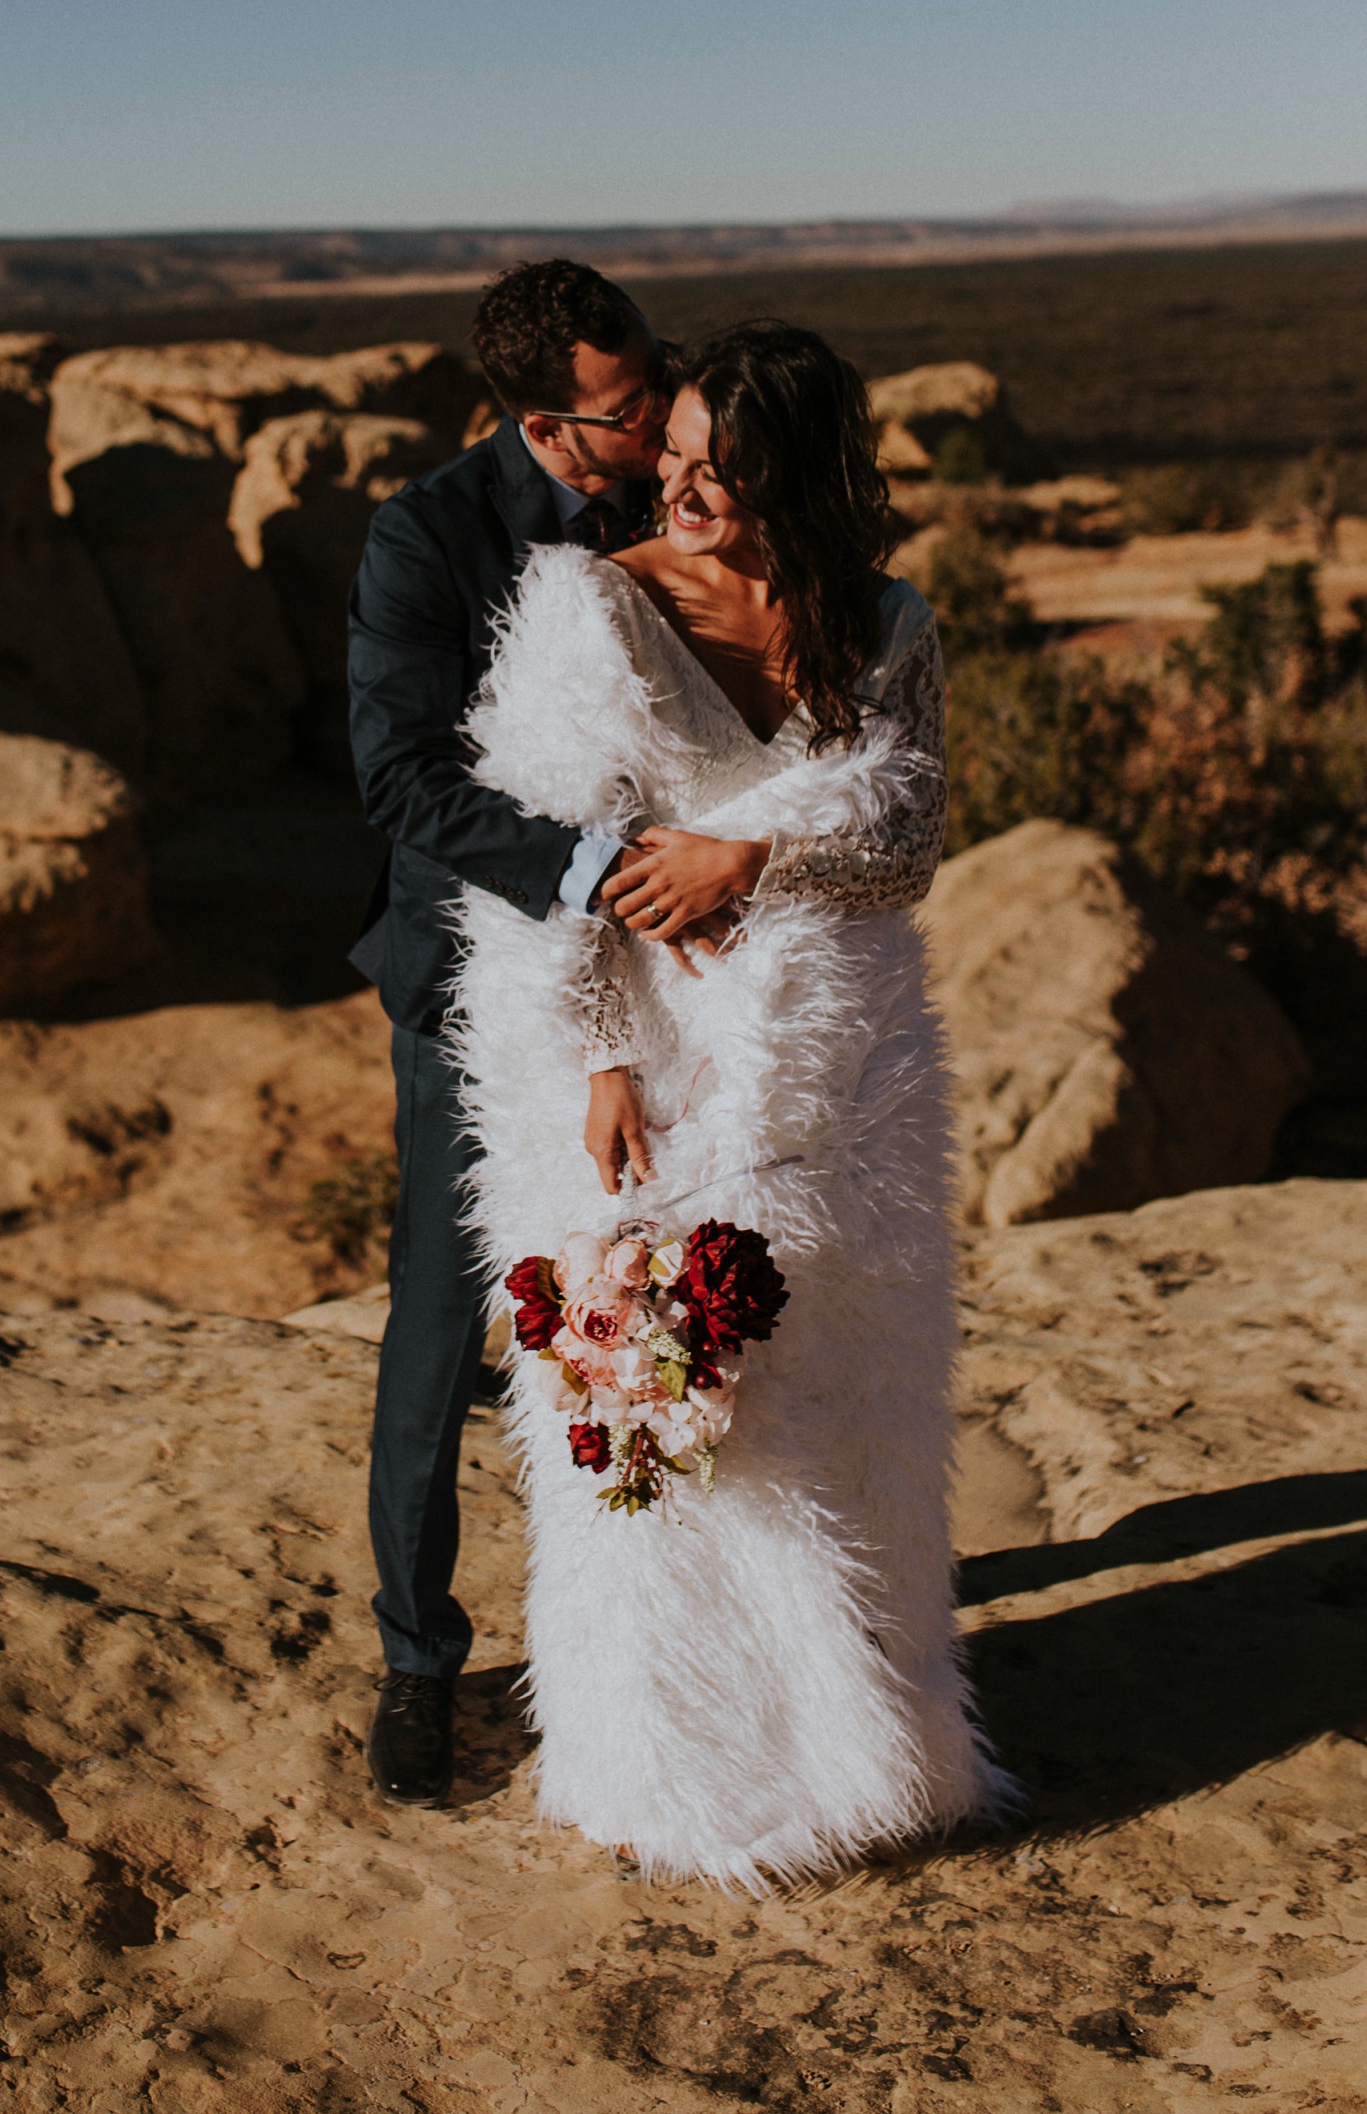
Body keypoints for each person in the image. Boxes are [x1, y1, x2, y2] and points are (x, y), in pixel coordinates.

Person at [449, 319, 1012, 1885]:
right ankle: (671, 1770)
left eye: (725, 470)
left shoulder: (887, 623)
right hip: (650, 1064)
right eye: (676, 458)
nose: (684, 491)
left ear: (810, 478)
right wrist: (598, 1064)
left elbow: (906, 848)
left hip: (844, 1079)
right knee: (672, 1402)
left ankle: (868, 1754)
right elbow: (541, 878)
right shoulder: (595, 606)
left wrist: (751, 859)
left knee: (844, 1402)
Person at [347, 261, 749, 1806]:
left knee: (665, 1302)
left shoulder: (693, 504)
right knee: (448, 1328)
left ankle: (655, 1648)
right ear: (543, 422)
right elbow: (404, 782)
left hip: (678, 979)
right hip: (477, 973)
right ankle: (416, 1661)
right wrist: (596, 876)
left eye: (656, 376)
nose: (659, 419)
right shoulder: (424, 537)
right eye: (629, 403)